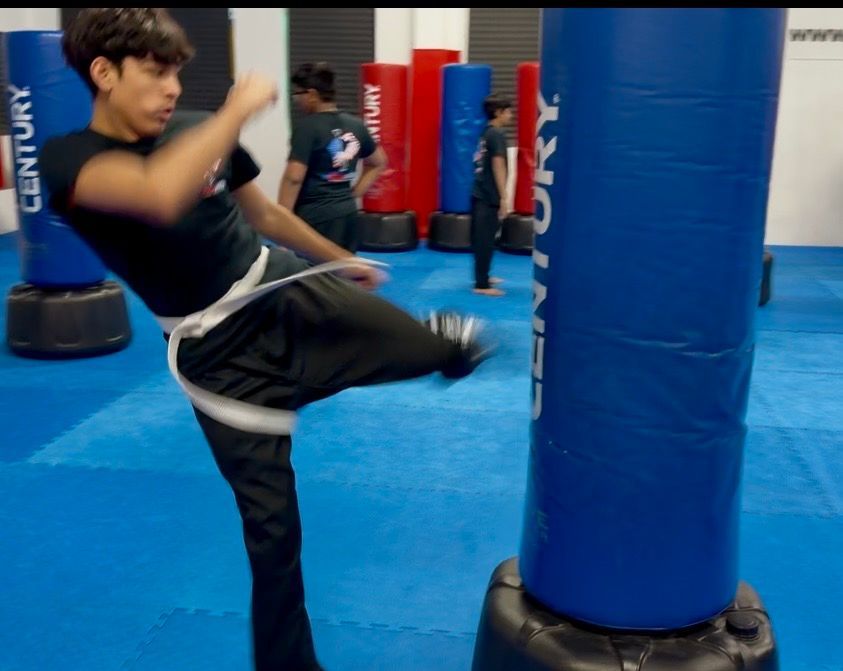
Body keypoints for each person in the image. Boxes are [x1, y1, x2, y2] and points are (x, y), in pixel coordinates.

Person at [39, 9, 492, 671]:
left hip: (282, 288)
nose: (171, 88)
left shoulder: (197, 131)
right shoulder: (70, 159)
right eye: (155, 72)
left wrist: (339, 256)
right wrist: (236, 109)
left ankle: (432, 347)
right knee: (272, 532)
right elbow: (158, 194)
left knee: (442, 348)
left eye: (176, 74)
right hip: (217, 356)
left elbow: (267, 214)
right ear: (103, 73)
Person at [278, 62, 386, 253]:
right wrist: (355, 193)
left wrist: (282, 223)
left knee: (313, 275)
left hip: (314, 216)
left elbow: (293, 178)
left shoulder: (307, 127)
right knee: (345, 271)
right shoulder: (356, 125)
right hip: (347, 212)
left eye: (298, 95)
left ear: (311, 95)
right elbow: (378, 162)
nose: (297, 101)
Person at [471, 94, 513, 297]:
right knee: (485, 239)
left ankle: (484, 275)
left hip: (483, 192)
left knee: (486, 237)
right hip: (488, 195)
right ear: (498, 113)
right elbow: (498, 164)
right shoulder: (496, 134)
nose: (511, 115)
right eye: (507, 111)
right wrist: (504, 197)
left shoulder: (486, 132)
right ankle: (481, 284)